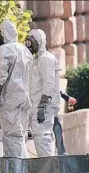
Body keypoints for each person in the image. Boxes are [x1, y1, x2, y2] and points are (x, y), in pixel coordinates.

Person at [0, 19, 33, 159]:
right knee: (20, 137)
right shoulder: (24, 49)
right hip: (25, 100)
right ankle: (24, 168)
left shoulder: (4, 50)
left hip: (10, 100)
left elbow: (1, 76)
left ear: (3, 34)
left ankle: (16, 171)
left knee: (11, 138)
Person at [24, 29, 61, 157]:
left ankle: (48, 171)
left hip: (44, 106)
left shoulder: (46, 59)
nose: (29, 45)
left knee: (42, 137)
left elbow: (48, 84)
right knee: (42, 137)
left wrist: (42, 106)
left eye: (31, 42)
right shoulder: (36, 61)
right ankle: (49, 169)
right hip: (36, 105)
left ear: (39, 42)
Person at [53, 91, 77, 155]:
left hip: (51, 111)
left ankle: (61, 153)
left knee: (57, 127)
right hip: (34, 109)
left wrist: (68, 98)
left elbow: (56, 89)